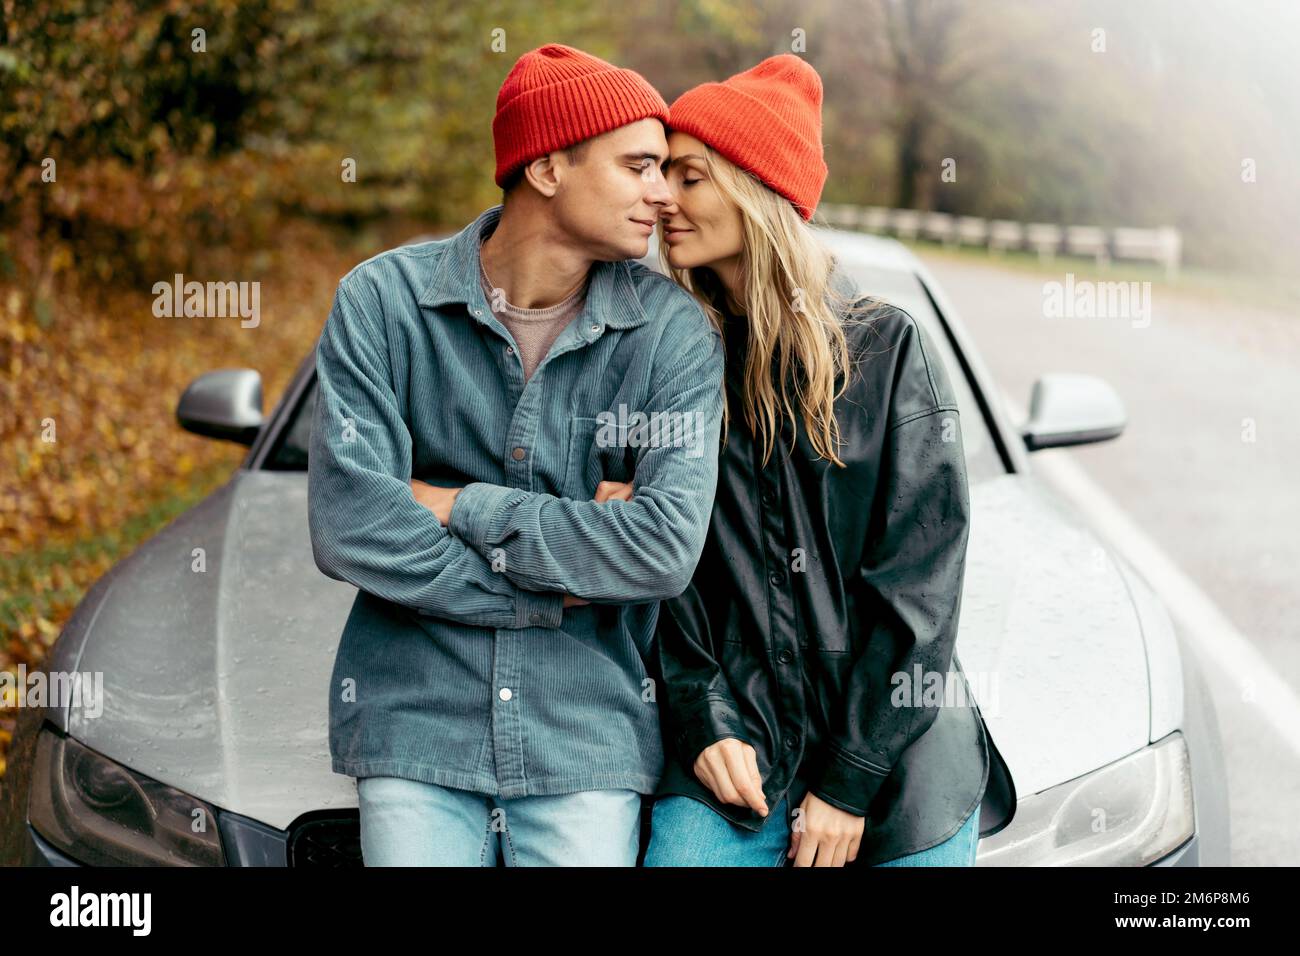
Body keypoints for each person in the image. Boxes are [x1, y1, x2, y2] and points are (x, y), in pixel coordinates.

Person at [307, 43, 726, 866]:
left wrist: (457, 504)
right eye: (639, 165)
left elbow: (662, 549)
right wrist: (555, 585)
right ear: (546, 169)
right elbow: (354, 524)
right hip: (415, 722)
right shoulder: (383, 303)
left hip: (586, 733)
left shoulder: (673, 335)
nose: (660, 192)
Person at [631, 54, 989, 867]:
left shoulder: (890, 351)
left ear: (756, 192)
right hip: (736, 752)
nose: (663, 200)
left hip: (898, 759)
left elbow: (921, 588)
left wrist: (851, 778)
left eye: (690, 178)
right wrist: (700, 714)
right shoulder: (670, 358)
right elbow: (670, 568)